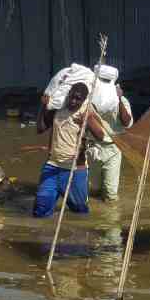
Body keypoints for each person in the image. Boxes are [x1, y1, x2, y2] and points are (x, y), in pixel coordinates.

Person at [33, 82, 107, 218]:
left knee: (80, 212)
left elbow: (101, 136)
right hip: (52, 166)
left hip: (74, 170)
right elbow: (40, 128)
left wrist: (87, 120)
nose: (73, 101)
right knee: (40, 210)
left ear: (84, 99)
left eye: (78, 99)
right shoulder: (57, 109)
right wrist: (43, 106)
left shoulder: (85, 113)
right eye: (71, 97)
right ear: (68, 95)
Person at [87, 65, 133, 202]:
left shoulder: (121, 101)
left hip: (113, 148)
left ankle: (110, 222)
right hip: (92, 147)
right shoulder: (87, 100)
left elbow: (127, 122)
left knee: (110, 195)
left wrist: (118, 99)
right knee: (92, 191)